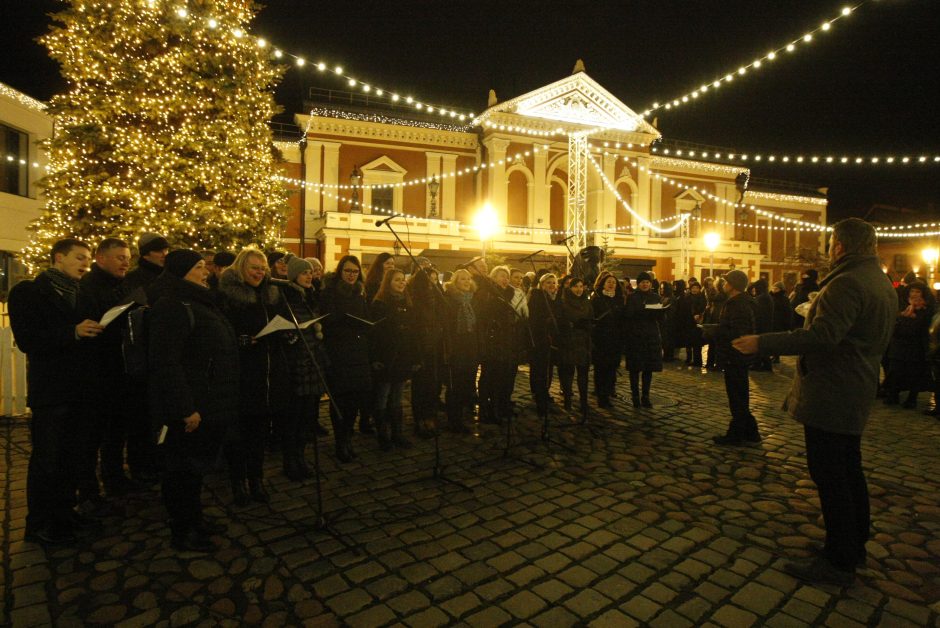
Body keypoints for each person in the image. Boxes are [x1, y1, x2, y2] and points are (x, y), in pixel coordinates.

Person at [734, 218, 897, 586]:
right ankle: (852, 546)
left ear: (839, 246)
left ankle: (838, 561)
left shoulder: (847, 283)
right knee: (849, 470)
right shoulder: (878, 280)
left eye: (830, 244)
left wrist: (763, 342)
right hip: (856, 385)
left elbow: (823, 337)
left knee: (831, 476)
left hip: (834, 390)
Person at [9, 239, 103, 545]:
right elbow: (28, 340)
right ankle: (38, 524)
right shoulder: (28, 292)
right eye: (79, 257)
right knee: (48, 460)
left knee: (72, 458)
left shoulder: (82, 293)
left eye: (88, 258)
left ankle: (64, 514)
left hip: (81, 390)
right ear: (58, 258)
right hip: (52, 393)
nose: (85, 263)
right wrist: (73, 332)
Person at [148, 250, 239, 552]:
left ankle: (195, 519)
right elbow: (167, 363)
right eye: (199, 267)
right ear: (182, 271)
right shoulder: (172, 305)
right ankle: (183, 530)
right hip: (193, 405)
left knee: (196, 469)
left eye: (206, 266)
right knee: (182, 471)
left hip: (210, 399)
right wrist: (185, 408)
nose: (207, 272)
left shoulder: (200, 300)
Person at [217, 249, 289, 504]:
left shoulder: (270, 294)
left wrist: (286, 331)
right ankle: (238, 482)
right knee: (237, 435)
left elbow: (279, 322)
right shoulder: (227, 296)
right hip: (240, 374)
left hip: (266, 372)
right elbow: (222, 336)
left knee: (258, 432)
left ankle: (256, 479)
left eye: (262, 268)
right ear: (240, 269)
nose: (259, 272)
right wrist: (244, 341)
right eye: (254, 268)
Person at [78, 238, 138, 501]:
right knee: (93, 433)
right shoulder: (88, 287)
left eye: (127, 257)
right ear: (100, 259)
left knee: (117, 429)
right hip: (97, 370)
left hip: (121, 368)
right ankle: (89, 486)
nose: (126, 262)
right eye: (119, 257)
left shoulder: (125, 285)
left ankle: (114, 476)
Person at [277, 256, 330, 480]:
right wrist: (288, 335)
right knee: (294, 417)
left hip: (312, 362)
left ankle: (301, 457)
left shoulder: (310, 298)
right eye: (304, 272)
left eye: (310, 272)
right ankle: (290, 461)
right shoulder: (286, 299)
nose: (309, 276)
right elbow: (280, 329)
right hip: (296, 365)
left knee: (307, 417)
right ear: (293, 276)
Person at [319, 255, 373, 461]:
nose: (351, 275)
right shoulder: (330, 293)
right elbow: (328, 320)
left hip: (358, 352)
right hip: (339, 352)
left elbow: (366, 316)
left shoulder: (360, 292)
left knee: (355, 399)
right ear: (340, 271)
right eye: (348, 271)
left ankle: (348, 436)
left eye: (355, 272)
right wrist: (346, 321)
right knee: (340, 399)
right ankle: (340, 441)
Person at [370, 268, 420, 449]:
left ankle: (397, 433)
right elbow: (375, 333)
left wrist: (415, 357)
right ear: (388, 282)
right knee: (382, 396)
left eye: (402, 280)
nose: (401, 283)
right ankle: (383, 435)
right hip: (386, 357)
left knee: (397, 397)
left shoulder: (408, 302)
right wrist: (375, 357)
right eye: (397, 280)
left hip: (403, 356)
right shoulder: (380, 304)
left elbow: (413, 333)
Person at [711, 270, 760, 446]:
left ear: (733, 285)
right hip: (735, 355)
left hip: (736, 355)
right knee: (740, 395)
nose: (724, 284)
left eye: (726, 281)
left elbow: (739, 332)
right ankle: (751, 432)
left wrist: (716, 331)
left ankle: (737, 434)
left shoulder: (739, 305)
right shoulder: (737, 302)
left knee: (737, 396)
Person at [475, 266, 519, 425]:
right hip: (491, 339)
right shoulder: (486, 294)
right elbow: (483, 315)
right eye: (501, 276)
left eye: (507, 277)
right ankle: (485, 409)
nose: (505, 279)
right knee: (488, 376)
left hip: (505, 340)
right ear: (493, 278)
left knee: (501, 376)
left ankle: (497, 406)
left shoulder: (508, 294)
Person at [882, 281, 934, 408]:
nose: (914, 294)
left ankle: (912, 399)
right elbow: (895, 324)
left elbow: (922, 327)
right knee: (895, 371)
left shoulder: (926, 310)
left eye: (917, 291)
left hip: (916, 347)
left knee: (914, 373)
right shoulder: (902, 306)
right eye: (912, 291)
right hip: (899, 345)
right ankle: (893, 395)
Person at [443, 269, 480, 433]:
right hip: (456, 347)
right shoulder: (450, 300)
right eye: (462, 279)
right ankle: (454, 419)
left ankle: (462, 416)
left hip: (471, 346)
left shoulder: (473, 299)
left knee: (467, 384)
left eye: (468, 279)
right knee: (455, 386)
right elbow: (447, 327)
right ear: (455, 282)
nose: (466, 282)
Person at [623, 271, 664, 408]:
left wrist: (662, 313)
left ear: (650, 284)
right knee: (635, 368)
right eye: (642, 282)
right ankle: (635, 395)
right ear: (638, 284)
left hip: (651, 336)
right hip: (636, 337)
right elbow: (628, 315)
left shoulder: (656, 297)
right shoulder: (632, 297)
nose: (645, 284)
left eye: (647, 282)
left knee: (648, 368)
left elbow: (661, 319)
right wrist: (642, 311)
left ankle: (645, 396)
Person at [556, 277, 592, 418]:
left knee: (583, 374)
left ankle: (583, 402)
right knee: (568, 372)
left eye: (581, 286)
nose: (579, 289)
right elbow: (560, 321)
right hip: (569, 341)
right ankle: (568, 399)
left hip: (583, 341)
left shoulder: (587, 303)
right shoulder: (563, 302)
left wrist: (588, 325)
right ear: (570, 288)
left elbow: (592, 318)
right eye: (575, 286)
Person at [528, 273, 559, 423]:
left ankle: (544, 395)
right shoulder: (537, 297)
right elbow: (534, 319)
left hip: (551, 341)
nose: (552, 286)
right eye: (548, 283)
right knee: (540, 371)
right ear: (542, 284)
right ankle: (540, 401)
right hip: (540, 341)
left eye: (554, 283)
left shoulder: (555, 299)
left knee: (548, 370)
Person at [591, 272, 624, 408]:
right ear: (603, 284)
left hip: (615, 338)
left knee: (612, 367)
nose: (611, 284)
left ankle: (608, 390)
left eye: (614, 282)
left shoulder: (619, 299)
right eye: (609, 282)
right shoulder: (597, 299)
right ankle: (601, 396)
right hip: (601, 338)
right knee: (601, 368)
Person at [751, 278, 775, 371]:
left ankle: (760, 364)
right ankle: (764, 364)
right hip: (766, 324)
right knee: (763, 345)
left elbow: (757, 311)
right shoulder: (766, 296)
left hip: (761, 324)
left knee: (760, 345)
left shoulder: (762, 298)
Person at [658, 281, 676, 362]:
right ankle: (665, 355)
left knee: (668, 340)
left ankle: (669, 356)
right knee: (664, 340)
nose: (661, 290)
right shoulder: (661, 297)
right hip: (662, 321)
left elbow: (672, 310)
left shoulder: (671, 298)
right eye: (661, 288)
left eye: (663, 288)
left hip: (668, 322)